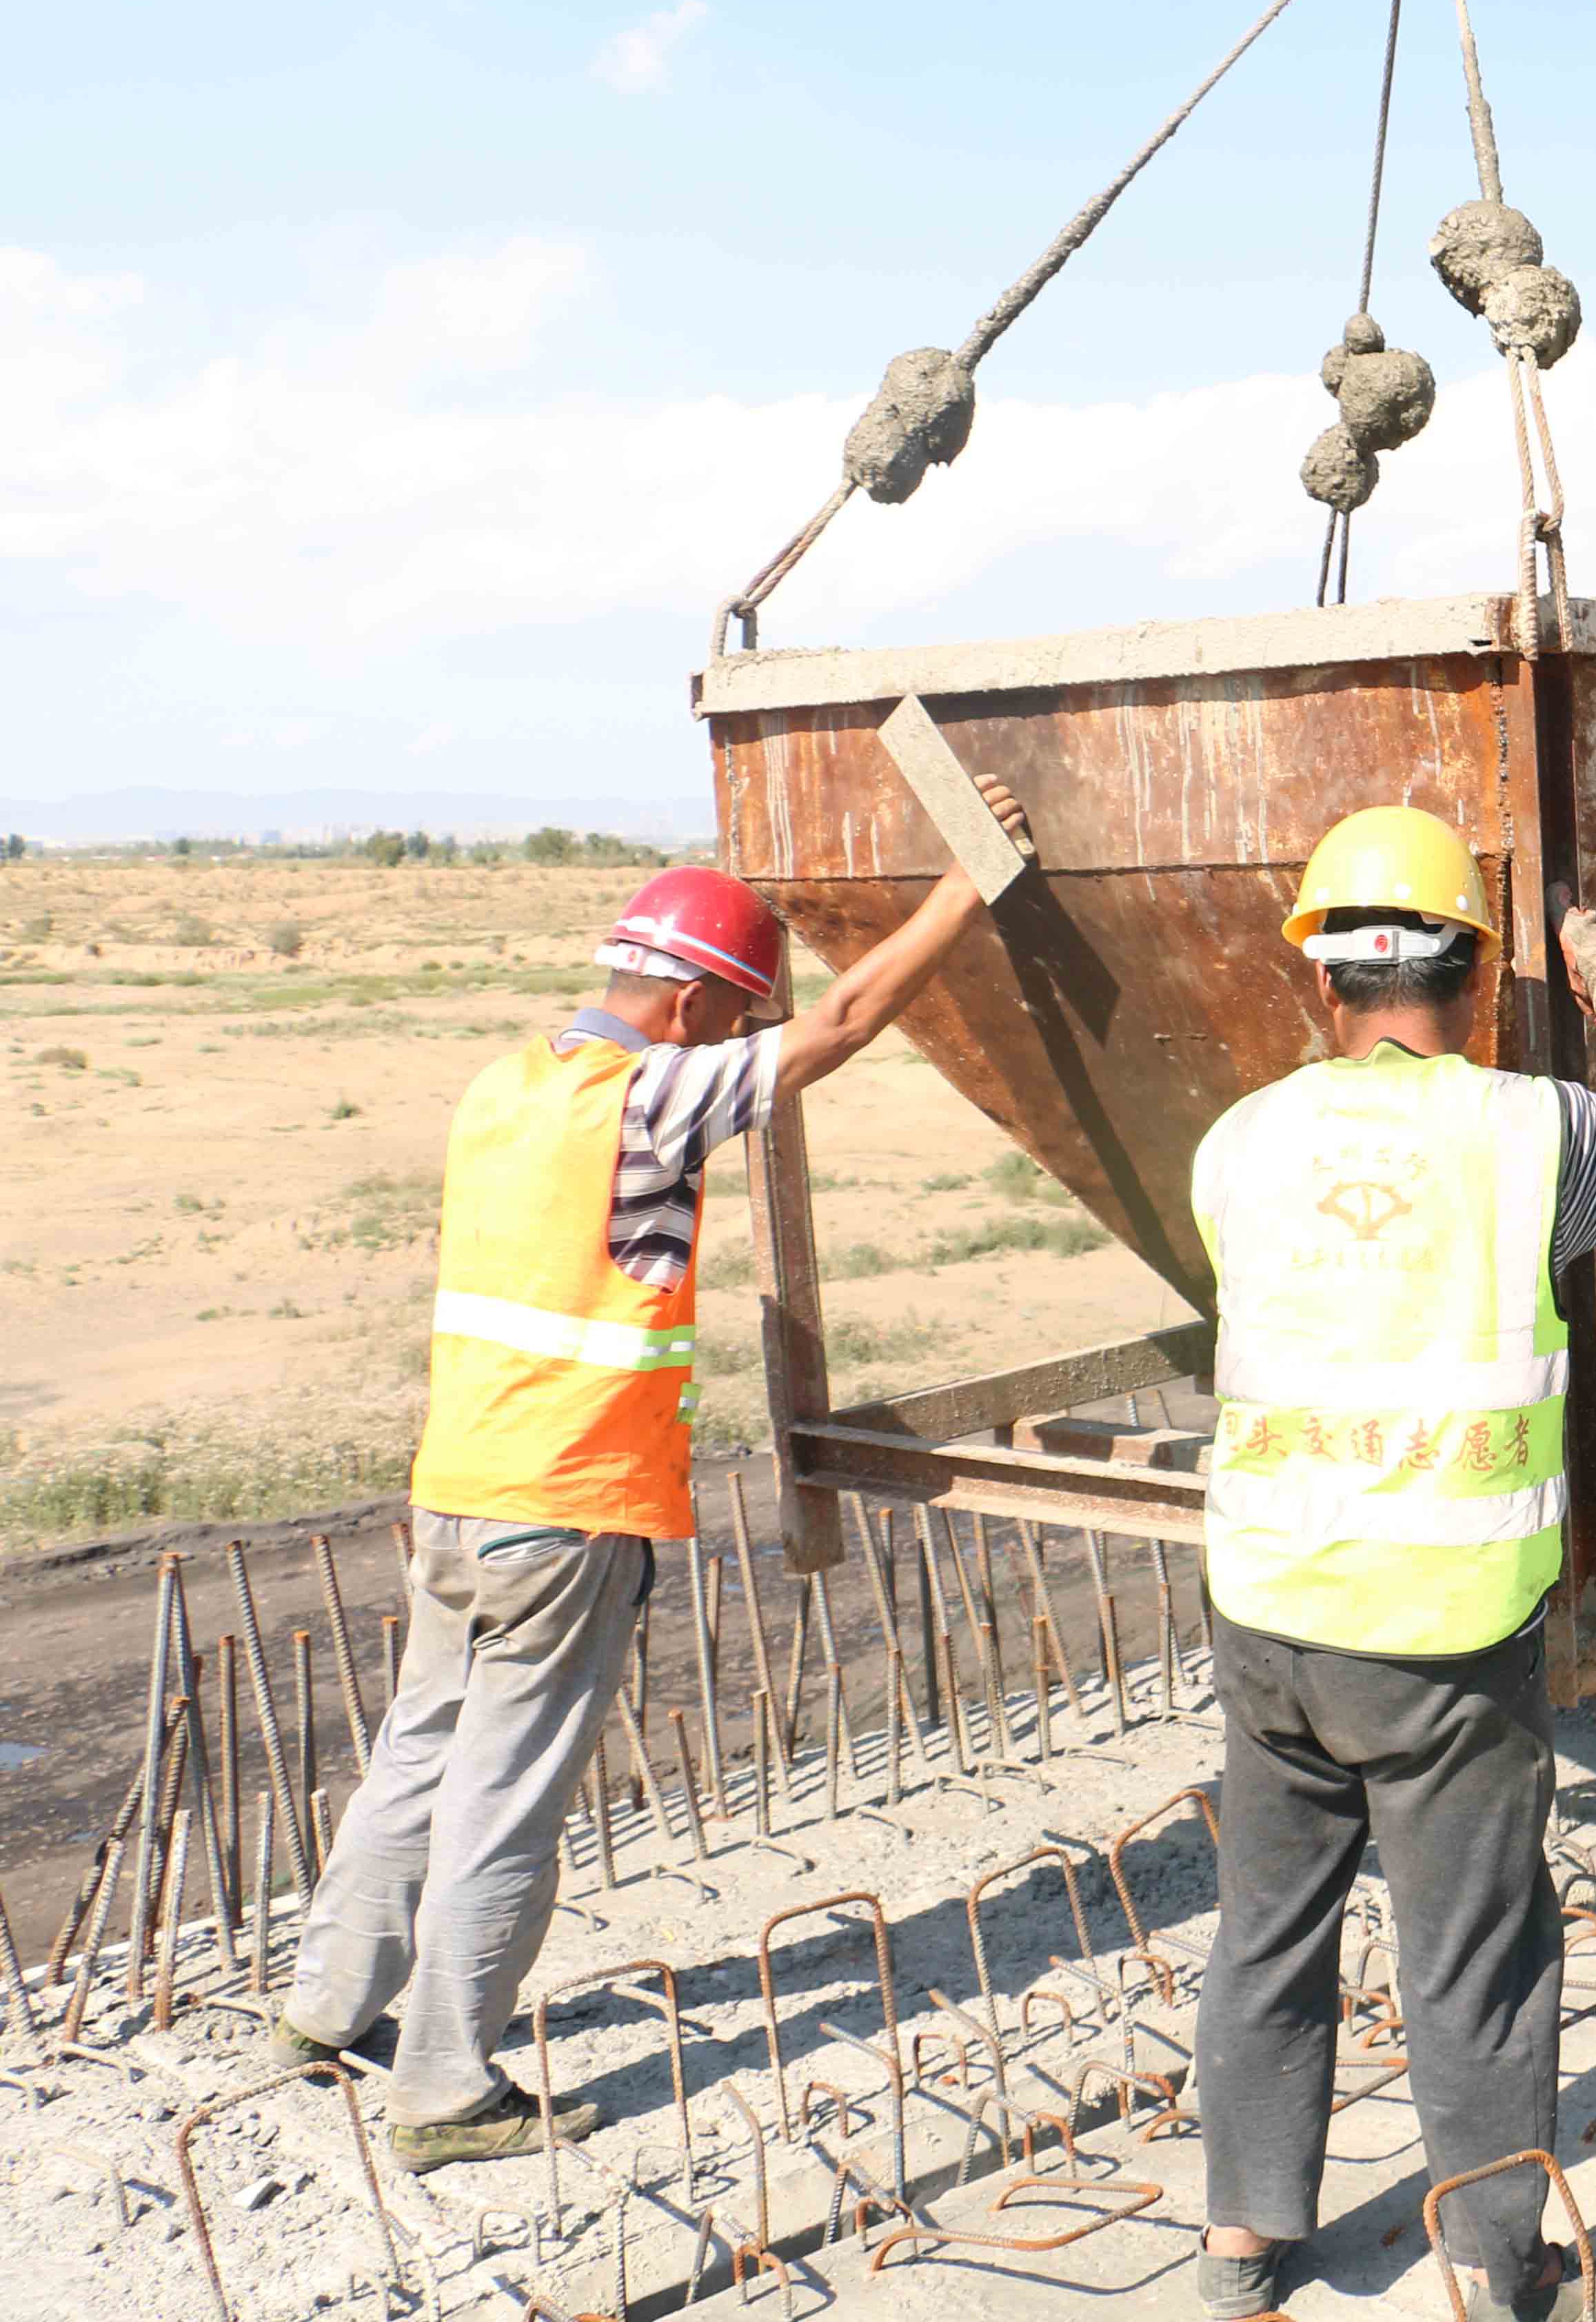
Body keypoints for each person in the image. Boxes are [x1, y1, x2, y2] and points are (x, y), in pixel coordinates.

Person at [272, 777, 1031, 2169]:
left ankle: (326, 2009)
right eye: (738, 1017)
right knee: (506, 1798)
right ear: (689, 1011)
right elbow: (843, 1025)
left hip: (459, 1493)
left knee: (416, 1761)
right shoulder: (649, 1099)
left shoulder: (506, 1090)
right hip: (569, 1514)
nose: (742, 1041)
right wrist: (964, 890)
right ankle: (446, 2089)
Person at [1186, 805, 1596, 2322]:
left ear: (1320, 981)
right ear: (1477, 978)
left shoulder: (1241, 1141)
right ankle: (1496, 2264)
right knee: (1472, 1951)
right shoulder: (1536, 1130)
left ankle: (1240, 2251)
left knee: (1267, 1931)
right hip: (1443, 1633)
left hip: (1269, 1610)